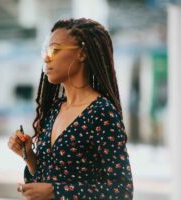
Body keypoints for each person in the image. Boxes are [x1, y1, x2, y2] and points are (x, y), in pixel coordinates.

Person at [8, 18, 134, 200]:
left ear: (82, 54)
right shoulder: (55, 109)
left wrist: (55, 192)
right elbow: (48, 177)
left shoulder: (101, 113)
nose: (46, 57)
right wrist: (28, 156)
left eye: (54, 50)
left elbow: (122, 191)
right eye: (45, 50)